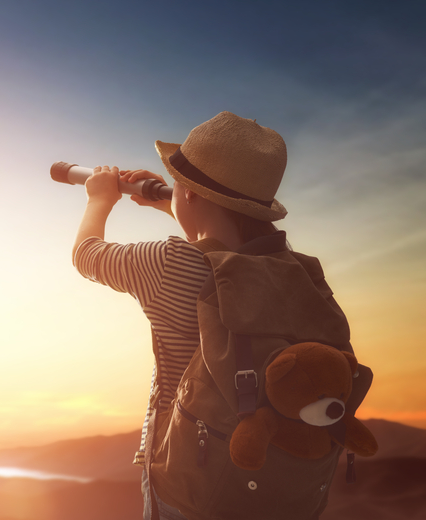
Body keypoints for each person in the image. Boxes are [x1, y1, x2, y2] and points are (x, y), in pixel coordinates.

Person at [72, 111, 290, 519]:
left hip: (191, 475)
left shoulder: (169, 262)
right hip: (269, 472)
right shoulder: (283, 264)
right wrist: (170, 202)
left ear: (188, 193)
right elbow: (220, 245)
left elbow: (87, 256)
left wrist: (99, 198)